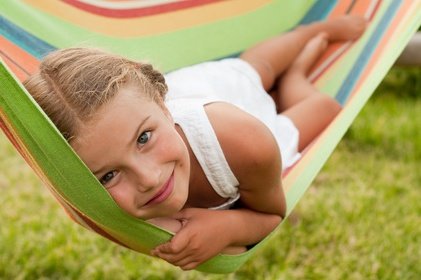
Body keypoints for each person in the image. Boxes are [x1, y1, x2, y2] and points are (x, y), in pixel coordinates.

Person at [23, 15, 366, 270]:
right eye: (108, 176)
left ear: (161, 103)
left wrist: (230, 227)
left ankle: (304, 50)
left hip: (223, 107)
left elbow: (272, 213)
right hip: (170, 108)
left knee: (262, 73)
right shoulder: (91, 205)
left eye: (144, 139)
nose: (149, 178)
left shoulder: (245, 142)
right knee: (254, 70)